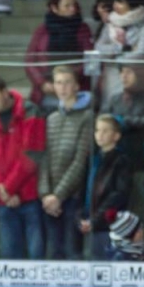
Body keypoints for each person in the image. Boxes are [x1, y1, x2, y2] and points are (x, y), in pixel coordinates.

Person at [0, 76, 46, 260]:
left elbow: (31, 155)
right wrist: (2, 189)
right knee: (9, 258)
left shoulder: (30, 111)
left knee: (36, 257)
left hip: (30, 196)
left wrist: (8, 188)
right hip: (4, 200)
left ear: (4, 92)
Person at [38, 66, 93, 260]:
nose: (62, 87)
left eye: (67, 82)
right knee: (53, 252)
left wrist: (58, 195)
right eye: (58, 82)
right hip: (50, 199)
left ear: (77, 86)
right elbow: (45, 158)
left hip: (71, 198)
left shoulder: (87, 117)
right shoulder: (51, 118)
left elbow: (80, 161)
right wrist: (46, 194)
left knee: (72, 252)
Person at [24, 0, 94, 111]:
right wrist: (42, 83)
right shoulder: (42, 30)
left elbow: (91, 59)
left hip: (76, 88)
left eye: (74, 5)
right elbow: (30, 60)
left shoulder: (83, 29)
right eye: (67, 6)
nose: (72, 9)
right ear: (55, 8)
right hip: (48, 89)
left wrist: (69, 80)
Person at [79, 115, 133, 260]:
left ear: (116, 136)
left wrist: (96, 220)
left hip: (108, 225)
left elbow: (118, 195)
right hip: (89, 223)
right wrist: (81, 217)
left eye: (105, 131)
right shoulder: (93, 159)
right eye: (97, 130)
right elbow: (83, 191)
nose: (99, 135)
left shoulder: (121, 161)